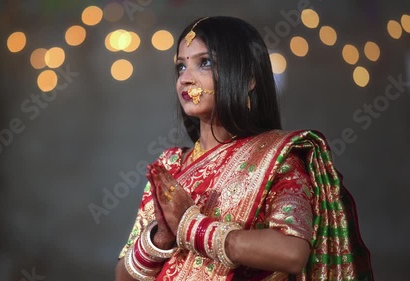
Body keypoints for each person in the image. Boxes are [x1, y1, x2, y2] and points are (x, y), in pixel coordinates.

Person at [115, 16, 373, 281]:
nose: (185, 79)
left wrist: (190, 227)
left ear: (249, 79)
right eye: (181, 67)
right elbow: (123, 276)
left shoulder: (277, 158)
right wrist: (161, 238)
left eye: (204, 63)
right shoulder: (171, 165)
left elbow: (292, 253)